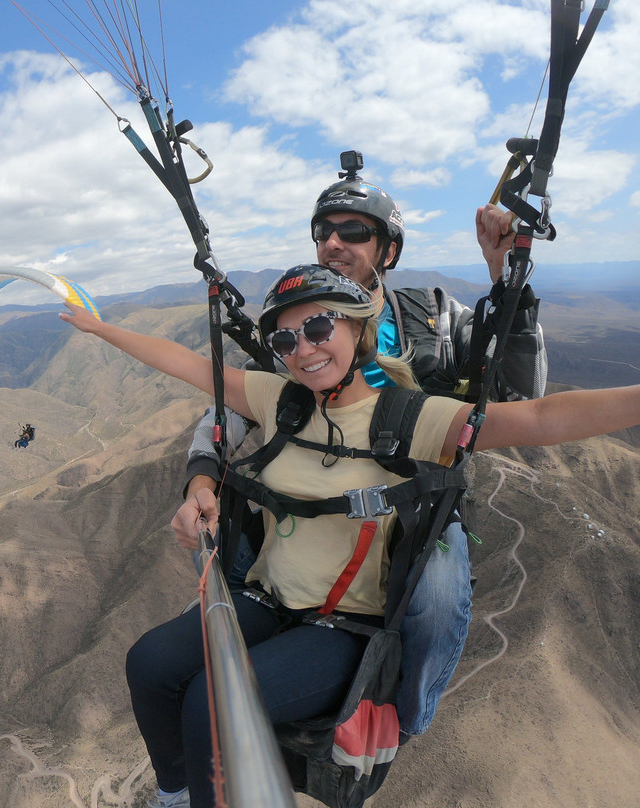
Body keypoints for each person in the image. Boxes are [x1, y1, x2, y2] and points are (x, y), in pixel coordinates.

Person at [59, 265, 640, 808]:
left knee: (210, 707)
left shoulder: (409, 417)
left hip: (341, 628)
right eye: (286, 340)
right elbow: (189, 365)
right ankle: (175, 795)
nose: (303, 349)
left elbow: (541, 416)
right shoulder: (280, 399)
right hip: (267, 599)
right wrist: (98, 328)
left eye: (317, 327)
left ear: (357, 325)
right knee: (147, 664)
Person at [174, 162, 545, 743]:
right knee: (238, 562)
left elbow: (522, 394)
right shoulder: (300, 328)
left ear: (388, 250)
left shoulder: (437, 319)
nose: (333, 243)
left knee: (438, 597)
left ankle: (403, 715)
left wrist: (506, 277)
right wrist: (201, 479)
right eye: (323, 231)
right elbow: (227, 411)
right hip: (313, 498)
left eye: (353, 232)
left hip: (414, 507)